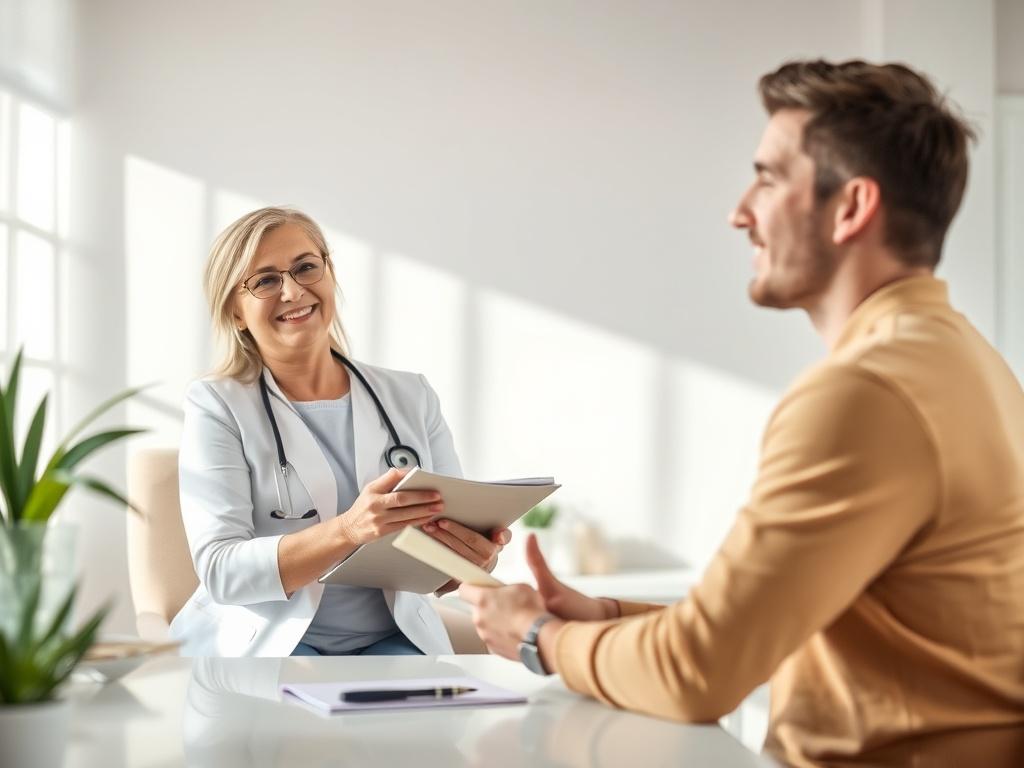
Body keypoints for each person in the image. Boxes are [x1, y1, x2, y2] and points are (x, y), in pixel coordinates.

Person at [459, 59, 1024, 766]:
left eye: (768, 177)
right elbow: (778, 630)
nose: (740, 212)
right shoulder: (970, 363)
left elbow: (699, 671)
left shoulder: (866, 391)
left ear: (850, 208)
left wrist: (540, 639)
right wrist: (605, 618)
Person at [170, 206, 511, 657]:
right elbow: (221, 571)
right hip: (271, 644)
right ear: (235, 310)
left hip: (392, 640)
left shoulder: (411, 396)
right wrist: (349, 530)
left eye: (306, 268)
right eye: (266, 280)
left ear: (329, 275)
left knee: (440, 720)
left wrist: (472, 557)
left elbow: (445, 563)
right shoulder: (217, 404)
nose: (293, 291)